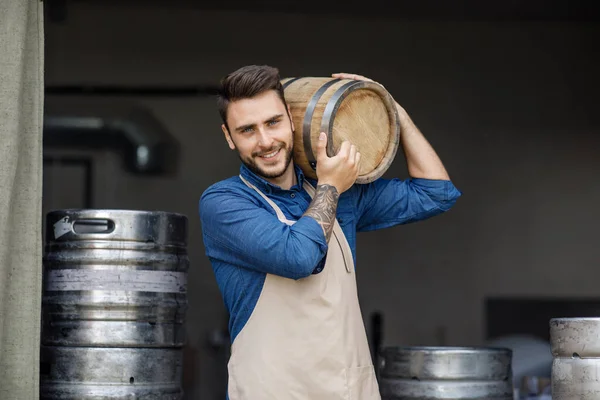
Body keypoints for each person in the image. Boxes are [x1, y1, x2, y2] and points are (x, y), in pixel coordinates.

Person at [199, 65, 461, 400]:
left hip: (348, 390)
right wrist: (330, 187)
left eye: (273, 122)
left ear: (291, 118)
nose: (265, 141)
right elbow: (298, 258)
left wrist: (396, 113)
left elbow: (435, 194)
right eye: (247, 130)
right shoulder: (225, 202)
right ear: (228, 137)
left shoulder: (341, 193)